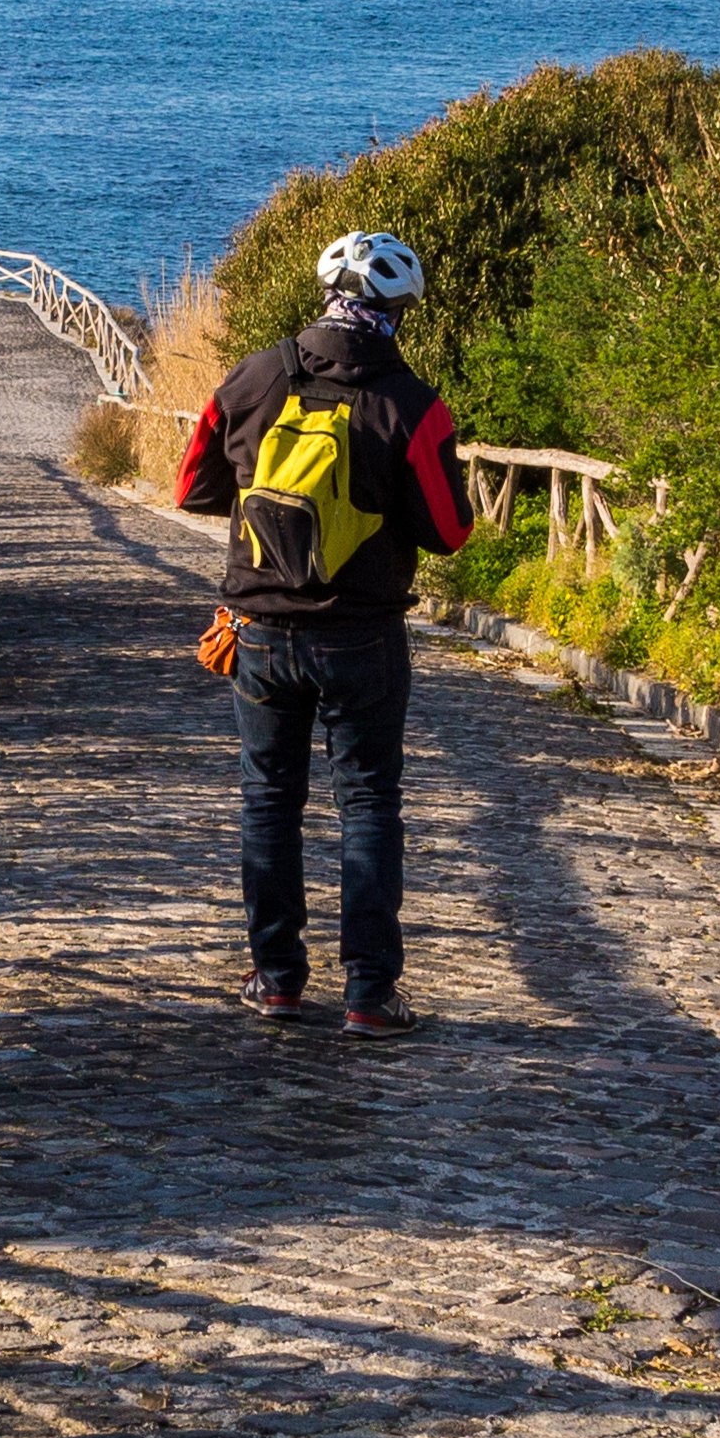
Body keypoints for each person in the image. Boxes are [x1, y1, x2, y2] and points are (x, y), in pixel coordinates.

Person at [173, 230, 475, 1030]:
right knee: (368, 802)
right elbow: (448, 530)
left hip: (258, 629)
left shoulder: (254, 375)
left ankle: (275, 978)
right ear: (398, 310)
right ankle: (369, 994)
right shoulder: (411, 402)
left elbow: (189, 485)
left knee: (268, 801)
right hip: (362, 637)